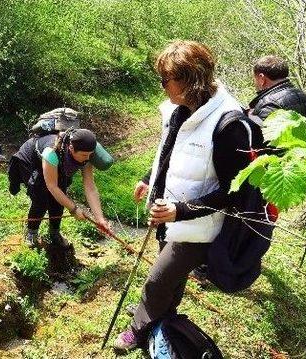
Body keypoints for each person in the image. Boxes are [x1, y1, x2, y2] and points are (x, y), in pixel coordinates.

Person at [117, 40, 264, 353]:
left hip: (199, 226)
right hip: (168, 213)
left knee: (157, 280)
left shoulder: (229, 125)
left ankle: (138, 329)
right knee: (171, 278)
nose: (162, 87)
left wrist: (179, 211)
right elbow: (169, 154)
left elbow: (234, 191)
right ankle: (160, 316)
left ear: (189, 80)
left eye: (165, 80)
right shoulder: (179, 109)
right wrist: (149, 179)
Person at [9, 128, 110, 248]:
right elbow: (52, 186)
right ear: (71, 149)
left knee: (59, 199)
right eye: (84, 155)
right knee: (41, 198)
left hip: (57, 164)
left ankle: (54, 233)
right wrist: (74, 209)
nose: (88, 158)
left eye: (90, 155)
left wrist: (99, 218)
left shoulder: (86, 155)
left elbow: (90, 187)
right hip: (31, 160)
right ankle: (31, 233)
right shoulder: (51, 152)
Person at [248, 55, 306, 123]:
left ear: (262, 78)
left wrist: (249, 117)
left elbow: (264, 132)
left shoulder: (269, 104)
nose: (254, 83)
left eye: (255, 78)